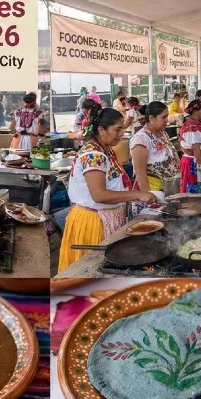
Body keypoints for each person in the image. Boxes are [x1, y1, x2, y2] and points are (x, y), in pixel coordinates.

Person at [58, 106, 154, 272]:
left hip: (103, 217)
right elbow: (99, 195)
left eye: (122, 129)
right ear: (101, 130)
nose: (121, 134)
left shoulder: (105, 149)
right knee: (92, 270)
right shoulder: (94, 155)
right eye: (117, 130)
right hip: (94, 222)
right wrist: (137, 194)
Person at [129, 101, 179, 201]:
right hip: (153, 191)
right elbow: (140, 173)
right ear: (151, 118)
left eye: (167, 117)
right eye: (163, 117)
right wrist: (148, 197)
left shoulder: (163, 134)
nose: (167, 120)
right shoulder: (141, 139)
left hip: (170, 187)